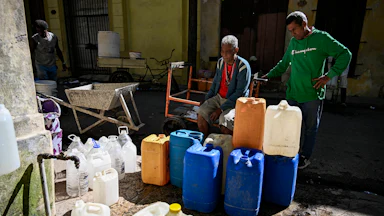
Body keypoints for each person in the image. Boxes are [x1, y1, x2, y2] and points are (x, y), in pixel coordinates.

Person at [262, 11, 351, 169]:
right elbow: (284, 63)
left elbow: (345, 54)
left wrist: (328, 76)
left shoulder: (322, 38)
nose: (292, 34)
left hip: (312, 95)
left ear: (304, 24)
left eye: (294, 29)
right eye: (290, 31)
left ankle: (304, 156)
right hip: (293, 94)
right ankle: (287, 153)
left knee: (310, 128)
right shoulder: (294, 42)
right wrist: (268, 76)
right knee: (289, 126)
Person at [197, 35, 251, 138]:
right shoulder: (220, 62)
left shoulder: (243, 66)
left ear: (236, 50)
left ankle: (227, 148)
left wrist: (220, 109)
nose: (224, 55)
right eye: (222, 51)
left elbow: (239, 93)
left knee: (224, 121)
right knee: (201, 113)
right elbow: (215, 83)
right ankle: (205, 143)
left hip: (234, 101)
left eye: (228, 52)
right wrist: (207, 99)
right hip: (219, 97)